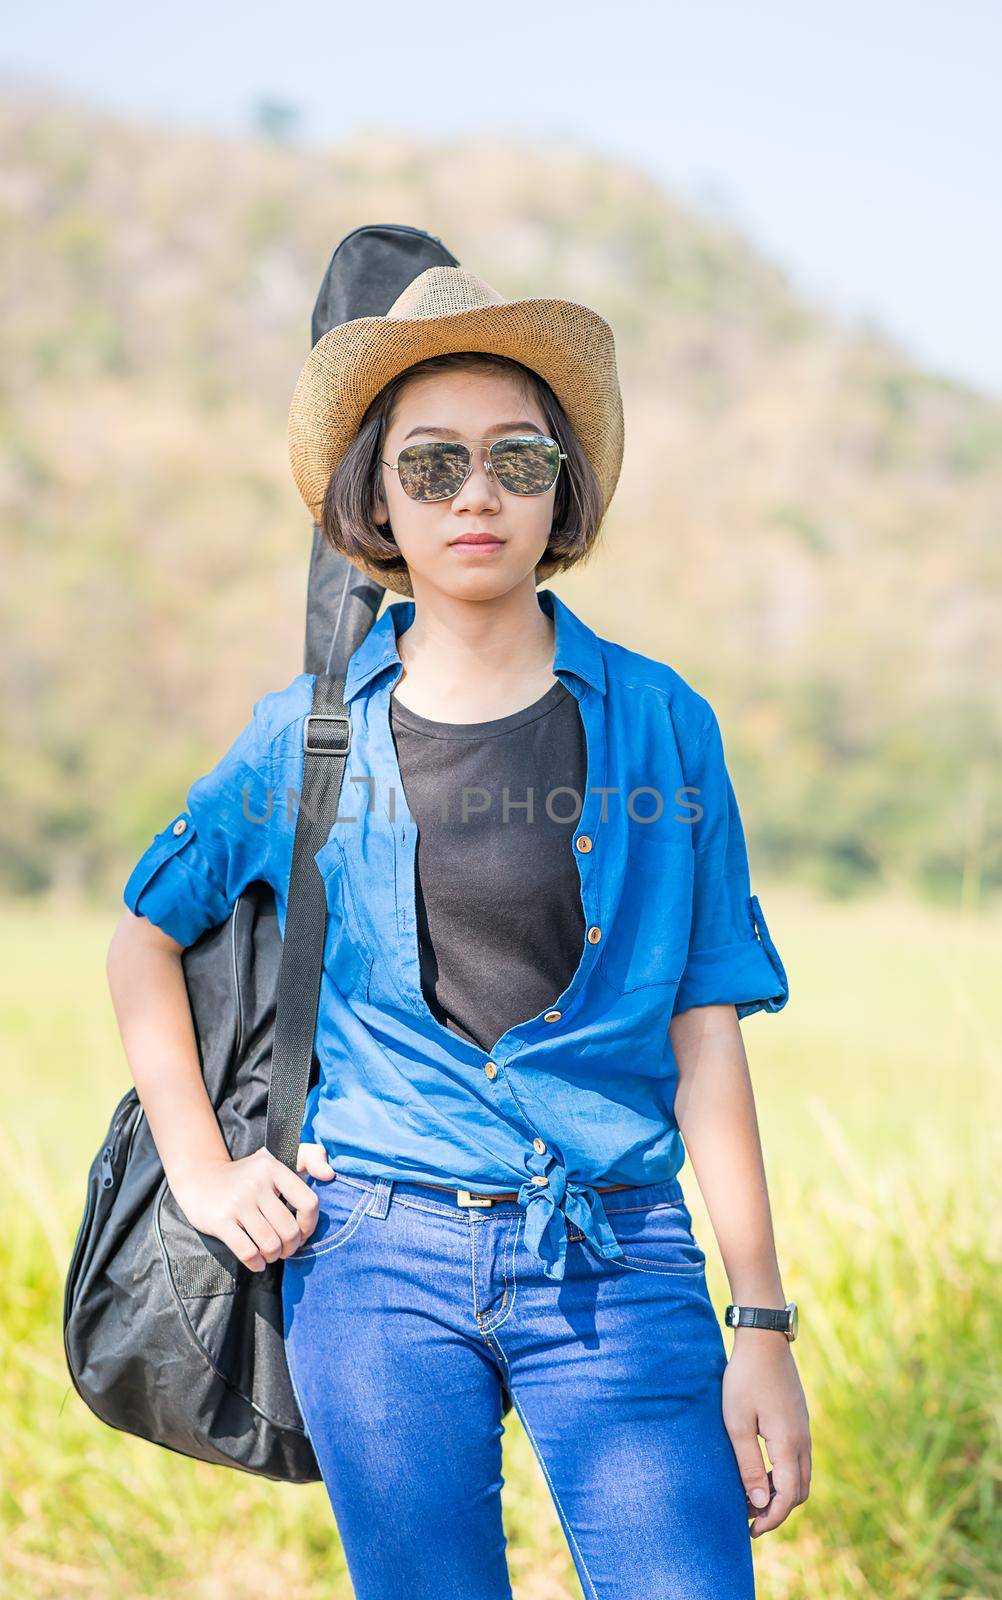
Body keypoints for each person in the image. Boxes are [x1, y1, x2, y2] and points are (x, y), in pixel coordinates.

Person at [107, 266, 811, 1600]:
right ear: (376, 499)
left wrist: (761, 1319)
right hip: (370, 1261)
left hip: (614, 1256)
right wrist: (201, 1172)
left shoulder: (664, 725)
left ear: (561, 494)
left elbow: (703, 1025)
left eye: (514, 460)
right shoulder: (306, 735)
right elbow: (142, 933)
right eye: (430, 465)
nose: (474, 494)